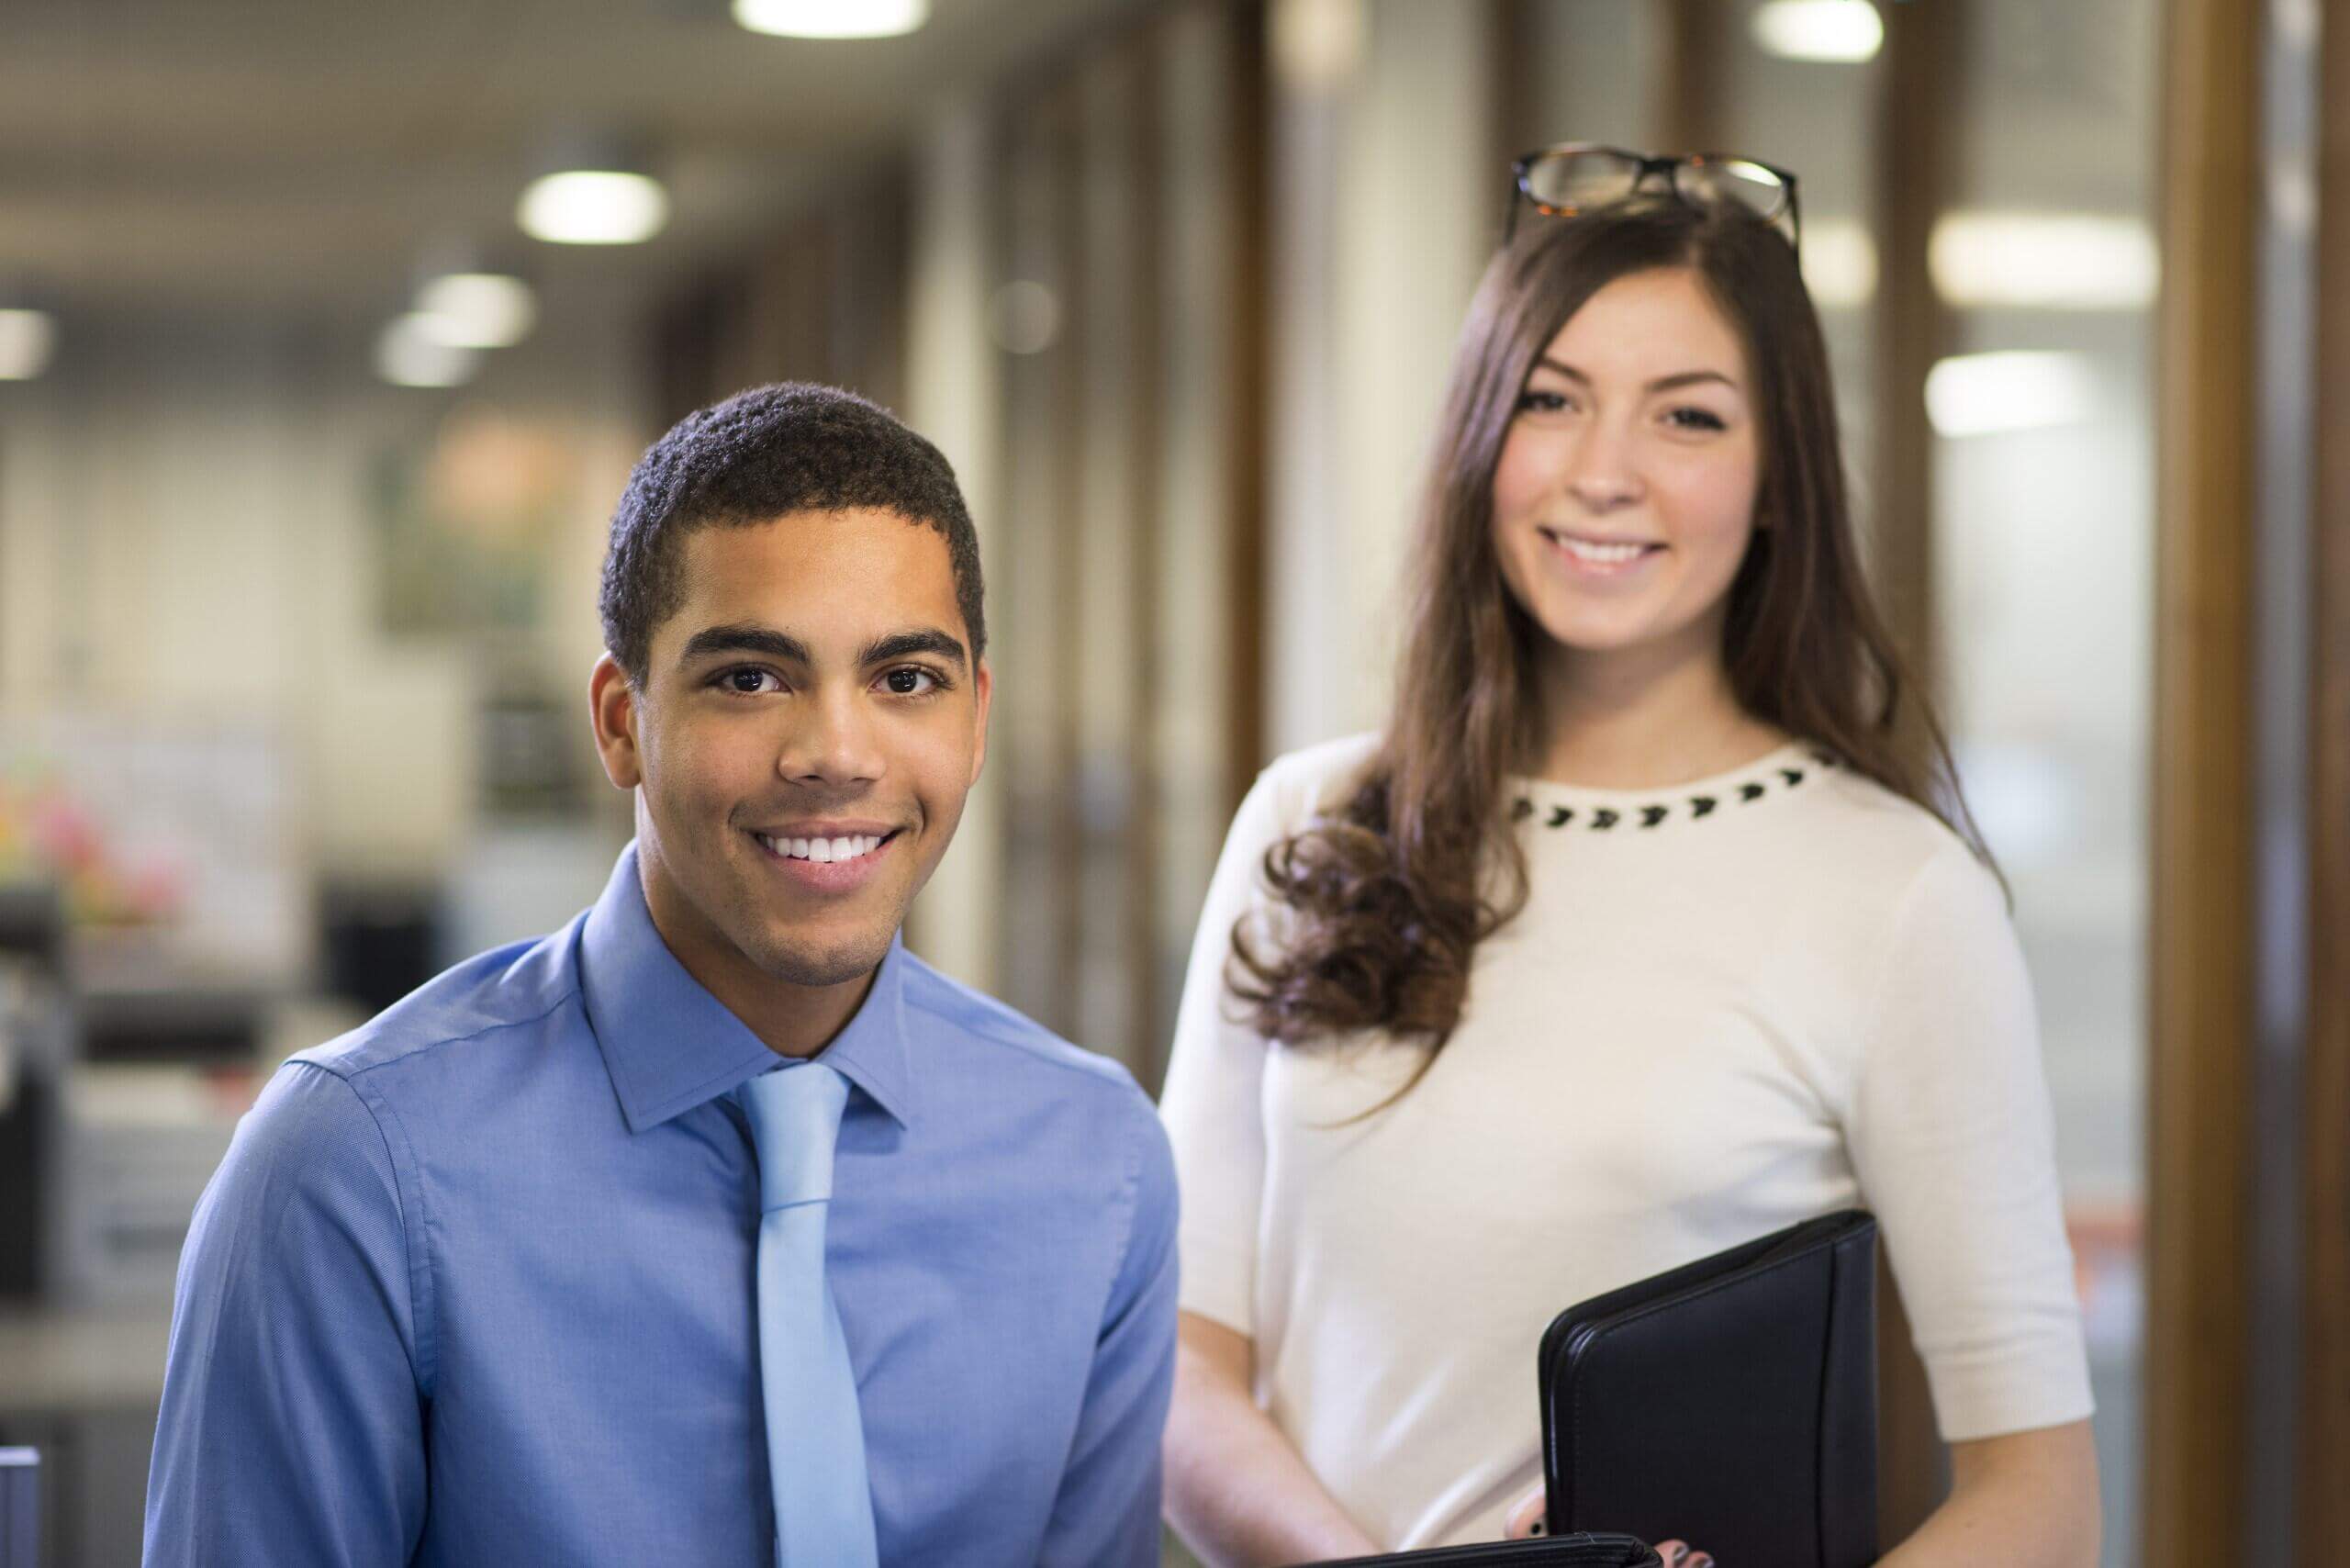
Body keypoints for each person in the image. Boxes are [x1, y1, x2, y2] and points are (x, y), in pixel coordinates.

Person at [1158, 148, 2100, 1566]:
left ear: (1779, 480)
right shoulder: (1309, 819)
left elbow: (2039, 1493)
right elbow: (1180, 1364)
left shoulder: (1898, 898)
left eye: (1689, 417)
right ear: (1483, 436)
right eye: (1551, 400)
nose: (1603, 474)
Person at [144, 383, 1179, 1567]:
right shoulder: (352, 1171)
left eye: (905, 680)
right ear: (622, 718)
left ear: (977, 719)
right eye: (750, 677)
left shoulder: (1097, 1162)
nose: (836, 755)